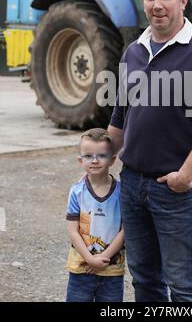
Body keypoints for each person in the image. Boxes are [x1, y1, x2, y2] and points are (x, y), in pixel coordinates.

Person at [108, 0, 192, 302]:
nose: (157, 5)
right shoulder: (133, 51)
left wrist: (185, 176)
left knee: (183, 285)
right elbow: (121, 114)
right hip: (133, 184)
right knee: (144, 279)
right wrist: (101, 161)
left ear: (183, 1)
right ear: (143, 2)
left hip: (176, 189)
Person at [65, 128, 125, 302]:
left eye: (102, 155)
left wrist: (102, 258)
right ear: (80, 160)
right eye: (88, 156)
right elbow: (73, 231)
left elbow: (125, 229)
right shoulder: (77, 192)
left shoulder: (122, 192)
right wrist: (90, 259)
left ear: (112, 159)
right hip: (81, 266)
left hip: (112, 268)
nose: (95, 160)